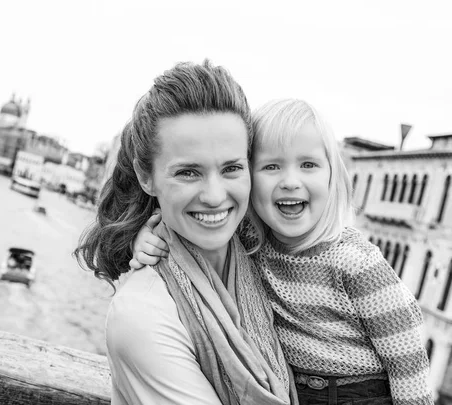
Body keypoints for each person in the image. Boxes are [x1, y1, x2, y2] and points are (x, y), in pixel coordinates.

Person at [131, 99, 433, 405]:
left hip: (360, 394)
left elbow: (406, 357)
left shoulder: (355, 261)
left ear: (333, 177)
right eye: (271, 166)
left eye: (308, 165)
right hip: (292, 390)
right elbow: (191, 224)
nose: (290, 181)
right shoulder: (251, 244)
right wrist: (147, 236)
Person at [74, 61, 297, 405]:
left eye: (231, 168)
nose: (214, 196)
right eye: (189, 172)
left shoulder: (262, 255)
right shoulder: (142, 315)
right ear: (146, 177)